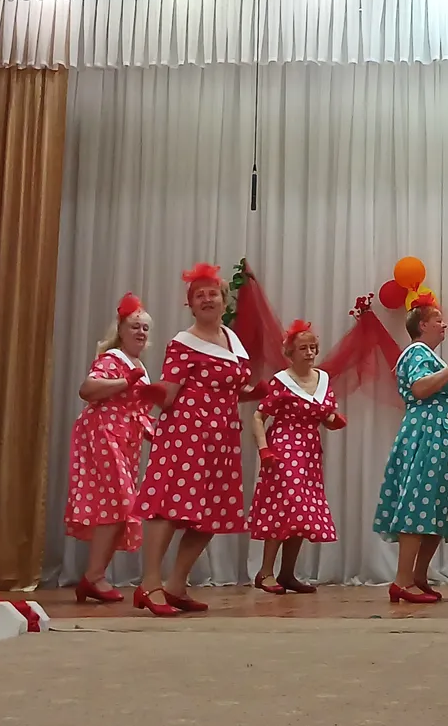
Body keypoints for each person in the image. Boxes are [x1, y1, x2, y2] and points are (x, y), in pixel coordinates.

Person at [133, 264, 273, 616]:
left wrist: (253, 392)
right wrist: (150, 394)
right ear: (191, 305)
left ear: (224, 300)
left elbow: (227, 389)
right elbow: (169, 394)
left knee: (210, 514)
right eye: (199, 295)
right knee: (167, 507)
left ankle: (176, 585)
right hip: (185, 435)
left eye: (213, 293)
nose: (207, 299)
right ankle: (150, 583)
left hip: (222, 437)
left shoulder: (232, 340)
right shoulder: (183, 343)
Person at [373, 291, 448, 603]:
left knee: (436, 506)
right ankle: (402, 581)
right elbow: (420, 388)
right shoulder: (416, 353)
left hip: (443, 436)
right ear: (422, 325)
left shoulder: (429, 356)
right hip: (429, 434)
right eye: (437, 320)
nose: (444, 325)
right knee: (419, 503)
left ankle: (418, 576)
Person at [64, 292, 163, 604]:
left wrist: (158, 434)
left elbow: (138, 410)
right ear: (120, 329)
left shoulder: (138, 365)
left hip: (125, 439)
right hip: (104, 434)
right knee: (119, 503)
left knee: (118, 507)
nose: (141, 332)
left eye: (145, 328)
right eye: (135, 326)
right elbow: (87, 390)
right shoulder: (113, 359)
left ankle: (94, 576)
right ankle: (93, 576)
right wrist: (125, 382)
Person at [249, 320, 347, 594]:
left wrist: (333, 420)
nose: (309, 352)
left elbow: (324, 415)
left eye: (313, 347)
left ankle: (287, 573)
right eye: (303, 348)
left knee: (302, 512)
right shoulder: (281, 381)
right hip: (283, 447)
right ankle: (265, 572)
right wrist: (264, 449)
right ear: (290, 352)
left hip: (310, 451)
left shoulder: (322, 379)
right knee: (284, 506)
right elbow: (258, 416)